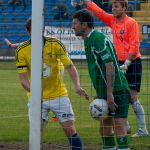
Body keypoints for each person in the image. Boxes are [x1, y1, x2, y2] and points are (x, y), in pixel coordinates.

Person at [15, 18, 89, 150]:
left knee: (69, 129)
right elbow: (23, 79)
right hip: (36, 98)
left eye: (40, 29)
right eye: (34, 30)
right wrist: (35, 94)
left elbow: (70, 66)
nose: (38, 32)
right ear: (28, 31)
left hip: (59, 94)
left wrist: (77, 86)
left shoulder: (55, 44)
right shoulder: (22, 50)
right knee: (36, 132)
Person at [83, 0, 149, 137]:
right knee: (118, 95)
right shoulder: (112, 20)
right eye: (112, 6)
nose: (113, 8)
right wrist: (87, 2)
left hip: (133, 62)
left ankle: (143, 130)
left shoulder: (131, 23)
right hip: (118, 63)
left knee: (132, 97)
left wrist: (127, 63)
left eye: (116, 6)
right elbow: (99, 12)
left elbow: (135, 44)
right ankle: (125, 126)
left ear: (124, 8)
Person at [72, 9, 131, 150]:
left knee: (119, 129)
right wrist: (101, 93)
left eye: (75, 23)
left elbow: (109, 66)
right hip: (105, 92)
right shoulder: (89, 40)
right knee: (104, 130)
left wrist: (109, 94)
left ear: (84, 25)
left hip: (117, 90)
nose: (72, 26)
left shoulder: (97, 39)